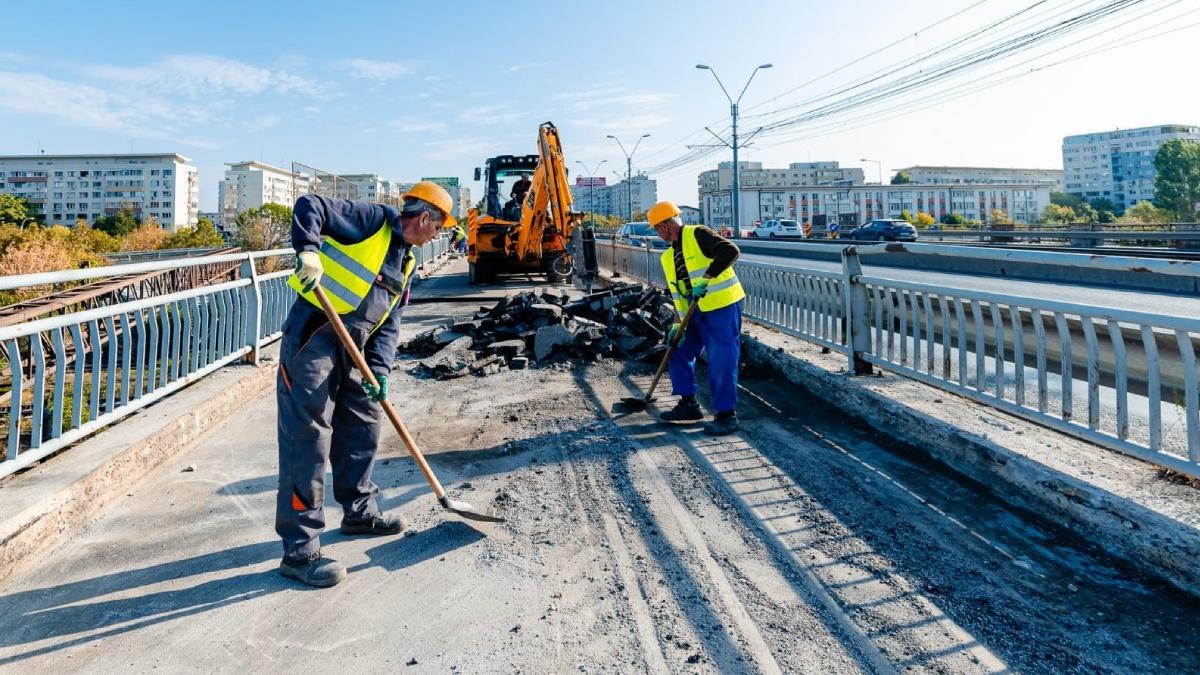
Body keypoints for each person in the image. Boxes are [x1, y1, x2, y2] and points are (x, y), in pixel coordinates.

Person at [277, 181, 456, 587]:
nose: (438, 236)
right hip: (315, 338)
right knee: (308, 439)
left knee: (364, 424)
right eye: (439, 228)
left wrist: (381, 372)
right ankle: (299, 550)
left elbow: (389, 325)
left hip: (357, 347)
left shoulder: (406, 262)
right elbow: (311, 205)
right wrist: (307, 250)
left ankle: (359, 512)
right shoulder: (371, 221)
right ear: (425, 218)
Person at [648, 201, 745, 436]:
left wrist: (708, 277)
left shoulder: (697, 233)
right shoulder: (667, 258)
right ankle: (689, 404)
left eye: (656, 229)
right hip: (693, 313)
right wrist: (675, 324)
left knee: (721, 360)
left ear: (665, 225)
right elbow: (677, 294)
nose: (657, 234)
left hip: (722, 307)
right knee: (677, 349)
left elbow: (730, 250)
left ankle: (726, 415)